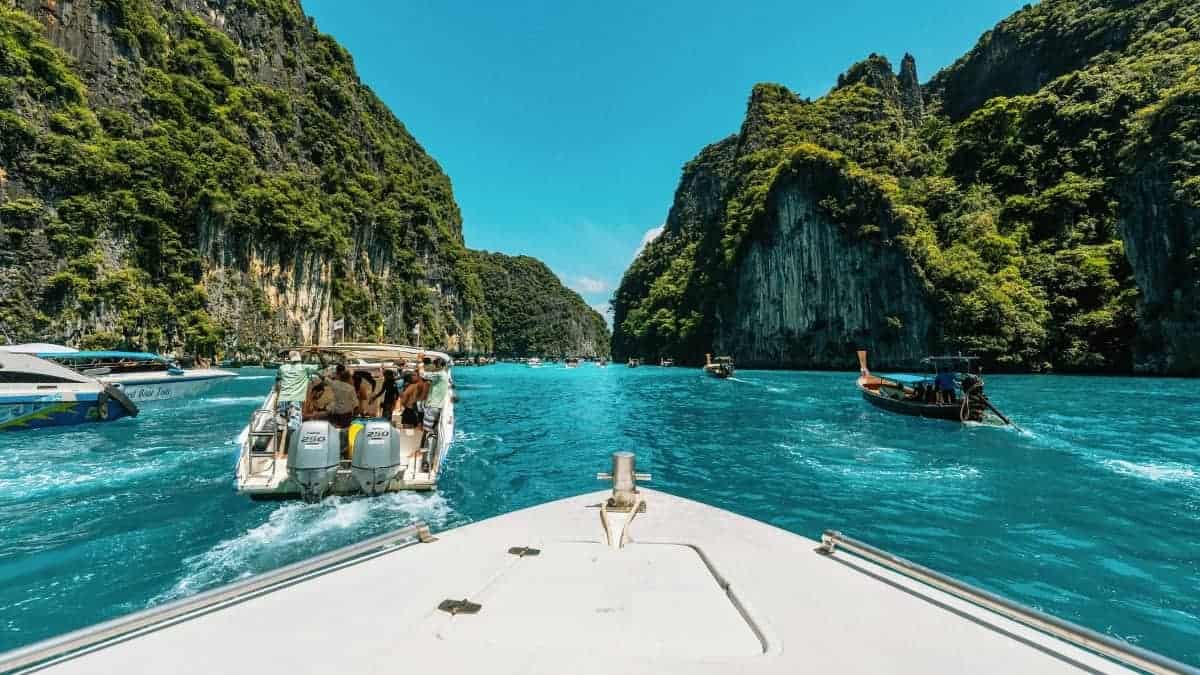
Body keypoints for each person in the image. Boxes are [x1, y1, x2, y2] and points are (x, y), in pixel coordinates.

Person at [276, 350, 319, 429]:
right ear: (300, 359)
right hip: (295, 400)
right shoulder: (305, 368)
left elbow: (278, 382)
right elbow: (324, 365)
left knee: (280, 425)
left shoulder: (282, 368)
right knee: (294, 426)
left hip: (282, 400)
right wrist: (318, 354)